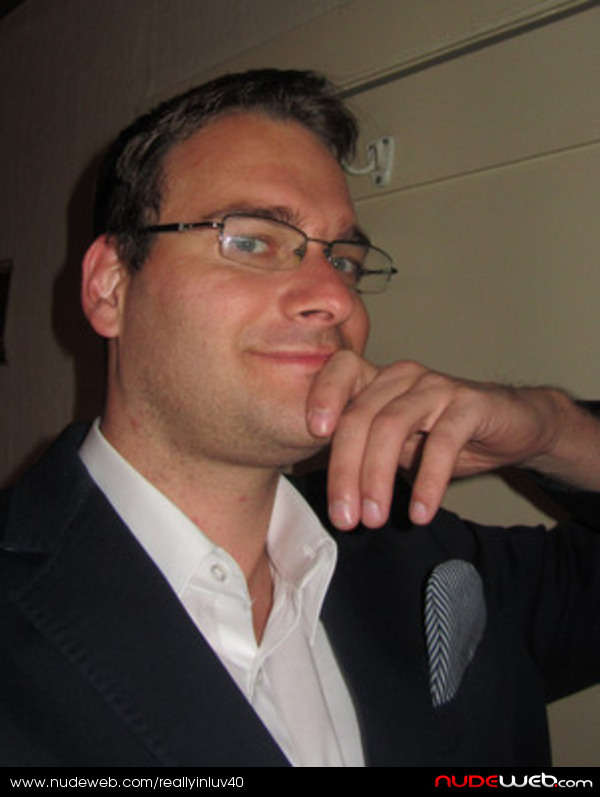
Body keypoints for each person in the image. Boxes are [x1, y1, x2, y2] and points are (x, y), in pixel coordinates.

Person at [2, 69, 600, 768]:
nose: (334, 297)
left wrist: (552, 428)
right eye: (252, 241)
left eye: (343, 260)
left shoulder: (425, 561)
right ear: (110, 288)